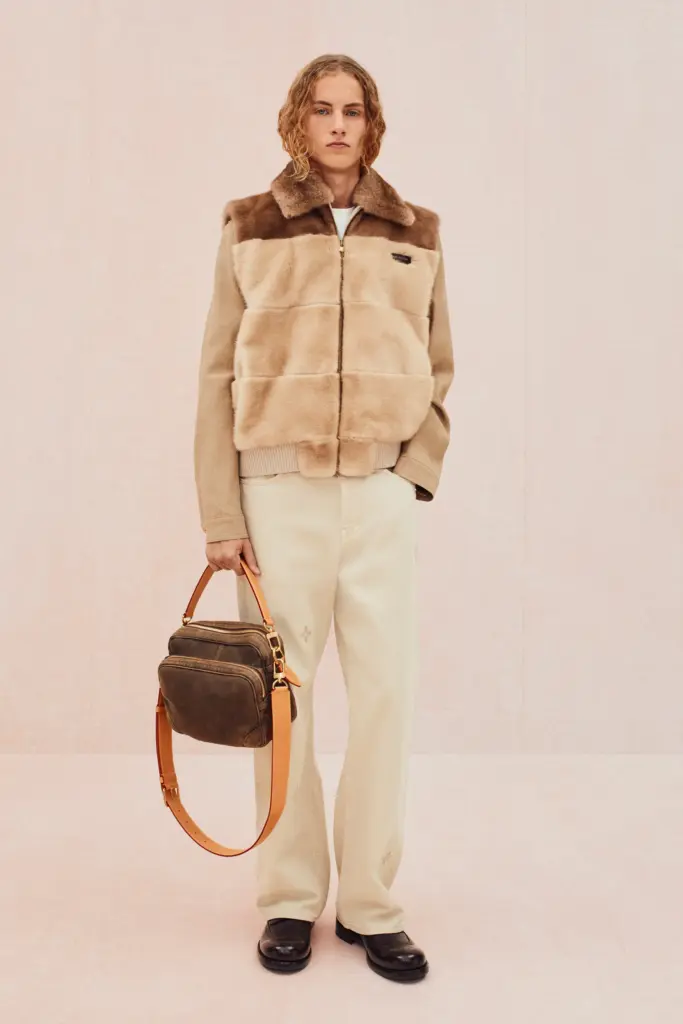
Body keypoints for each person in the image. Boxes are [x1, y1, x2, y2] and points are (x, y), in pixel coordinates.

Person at [193, 53, 454, 983]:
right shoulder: (249, 224)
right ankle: (289, 898)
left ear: (371, 124)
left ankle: (372, 905)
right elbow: (216, 372)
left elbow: (439, 362)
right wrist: (221, 512)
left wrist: (412, 474)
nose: (338, 125)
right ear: (297, 122)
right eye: (322, 110)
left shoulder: (415, 230)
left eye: (353, 111)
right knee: (284, 703)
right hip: (277, 498)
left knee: (385, 699)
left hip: (378, 495)